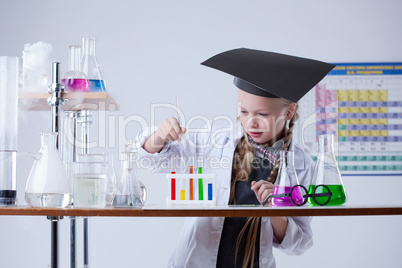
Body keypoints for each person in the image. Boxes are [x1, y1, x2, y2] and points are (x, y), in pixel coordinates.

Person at [136, 48, 335, 268]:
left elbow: (299, 244)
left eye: (262, 114)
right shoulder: (216, 138)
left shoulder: (300, 165)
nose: (251, 123)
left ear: (289, 111)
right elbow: (152, 160)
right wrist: (160, 135)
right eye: (244, 112)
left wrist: (275, 209)